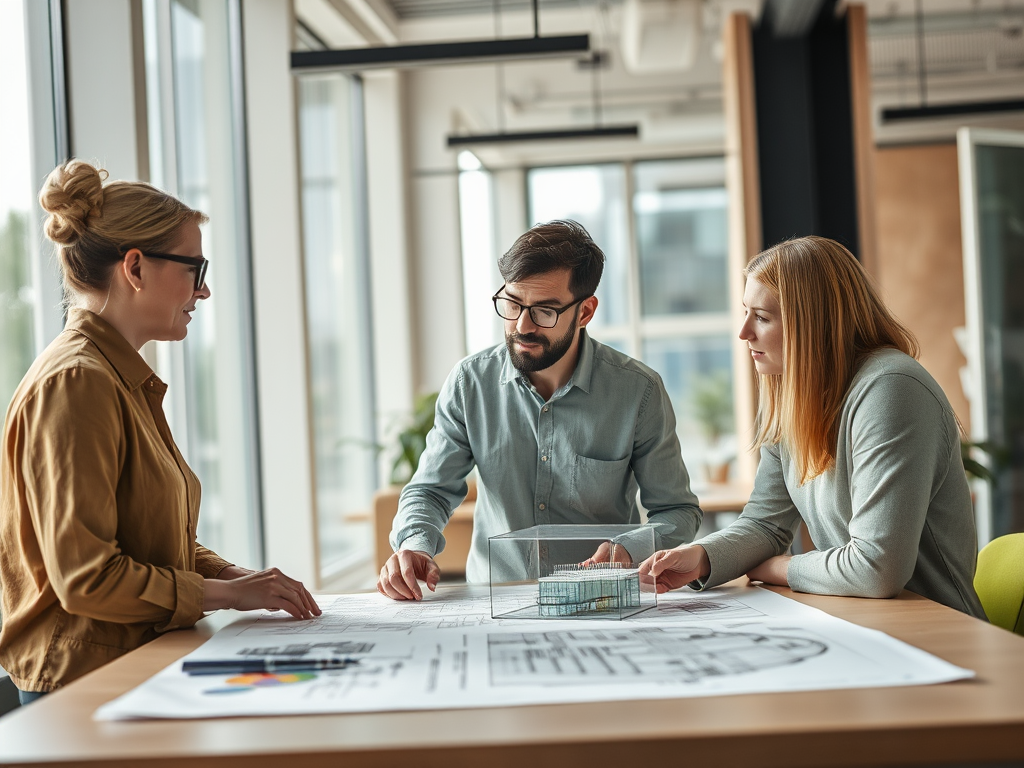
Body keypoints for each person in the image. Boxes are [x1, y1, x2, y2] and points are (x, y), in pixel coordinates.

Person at [0, 160, 321, 706]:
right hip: (86, 685)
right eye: (194, 268)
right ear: (135, 267)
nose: (204, 290)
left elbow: (151, 544)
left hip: (129, 668)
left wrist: (243, 580)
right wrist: (228, 594)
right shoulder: (79, 381)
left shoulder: (118, 376)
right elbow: (88, 579)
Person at [639, 236, 985, 618]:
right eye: (745, 312)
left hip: (938, 629)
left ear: (813, 325)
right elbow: (765, 525)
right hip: (866, 624)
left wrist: (778, 568)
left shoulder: (892, 389)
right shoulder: (796, 396)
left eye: (763, 317)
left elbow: (877, 568)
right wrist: (703, 557)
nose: (743, 333)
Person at [377, 219, 703, 600]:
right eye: (512, 304)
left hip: (601, 600)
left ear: (585, 312)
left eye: (544, 311)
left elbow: (678, 511)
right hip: (495, 602)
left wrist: (630, 548)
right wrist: (414, 544)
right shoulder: (470, 383)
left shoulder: (638, 392)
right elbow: (430, 490)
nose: (521, 325)